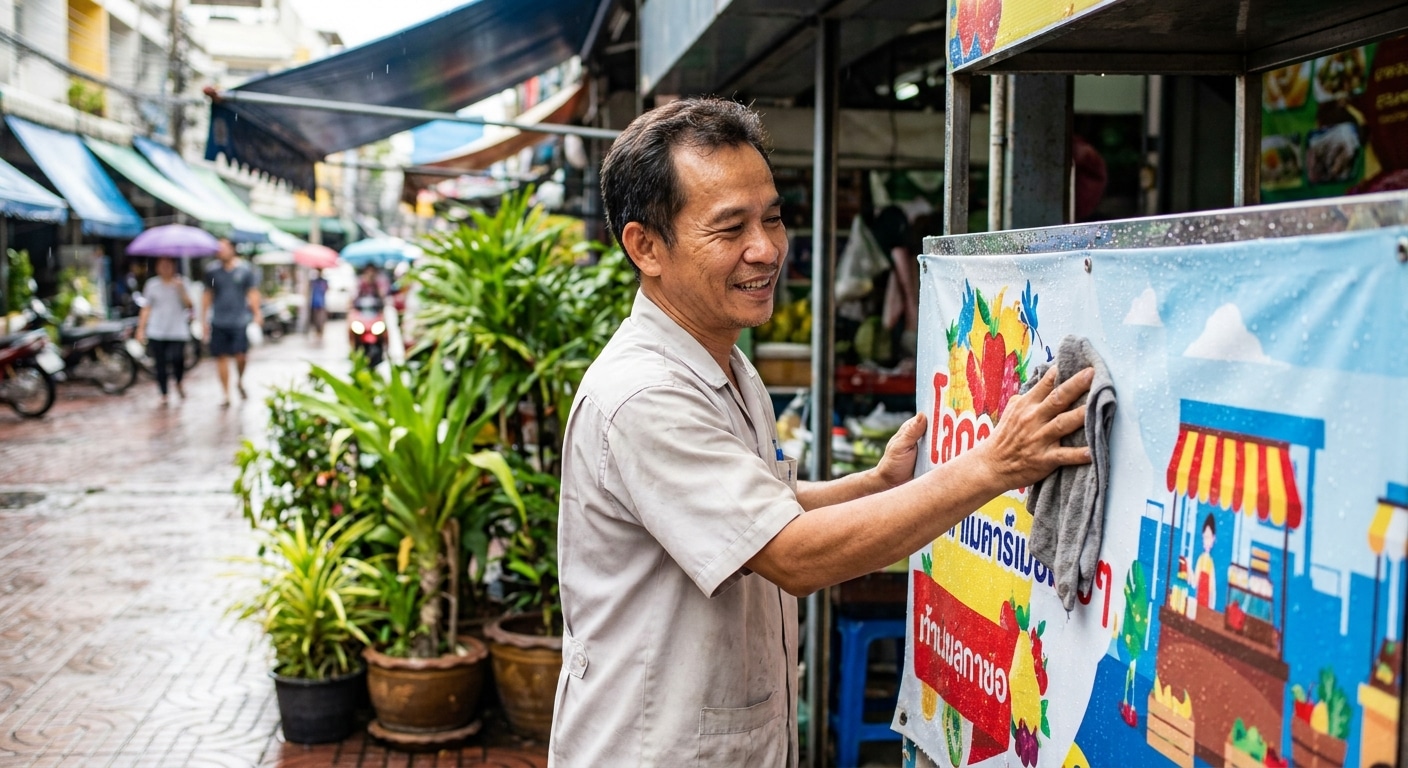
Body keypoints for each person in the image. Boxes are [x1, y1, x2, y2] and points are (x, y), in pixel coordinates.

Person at [549, 97, 1095, 766]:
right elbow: (791, 554)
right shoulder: (647, 394)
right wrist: (992, 465)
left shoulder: (724, 362)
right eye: (731, 228)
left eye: (773, 218)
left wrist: (875, 484)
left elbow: (758, 514)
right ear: (646, 247)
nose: (766, 249)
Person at [201, 238, 261, 407]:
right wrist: (203, 319)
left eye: (224, 248)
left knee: (241, 356)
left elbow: (252, 292)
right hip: (219, 320)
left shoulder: (244, 270)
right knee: (221, 357)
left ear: (232, 249)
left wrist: (257, 313)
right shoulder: (212, 272)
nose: (221, 251)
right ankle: (226, 394)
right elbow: (208, 294)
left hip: (239, 320)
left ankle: (240, 380)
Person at [135, 257, 192, 404]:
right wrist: (141, 329)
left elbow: (189, 305)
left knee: (177, 358)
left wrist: (181, 289)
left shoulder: (182, 282)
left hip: (178, 329)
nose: (165, 268)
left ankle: (179, 381)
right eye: (162, 265)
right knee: (160, 363)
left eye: (168, 265)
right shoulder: (152, 284)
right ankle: (164, 393)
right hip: (157, 330)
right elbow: (146, 308)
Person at [1194, 513, 1217, 611]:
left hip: (1207, 604)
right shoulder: (1200, 559)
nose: (1206, 540)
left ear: (1213, 538)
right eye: (1205, 537)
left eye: (1209, 537)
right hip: (1198, 600)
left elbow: (1212, 589)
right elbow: (1195, 582)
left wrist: (1211, 608)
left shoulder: (1211, 562)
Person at [307, 268, 328, 339]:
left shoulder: (324, 281)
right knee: (316, 319)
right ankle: (317, 331)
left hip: (321, 303)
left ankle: (320, 331)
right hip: (315, 303)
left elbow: (326, 289)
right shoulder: (313, 281)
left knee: (321, 319)